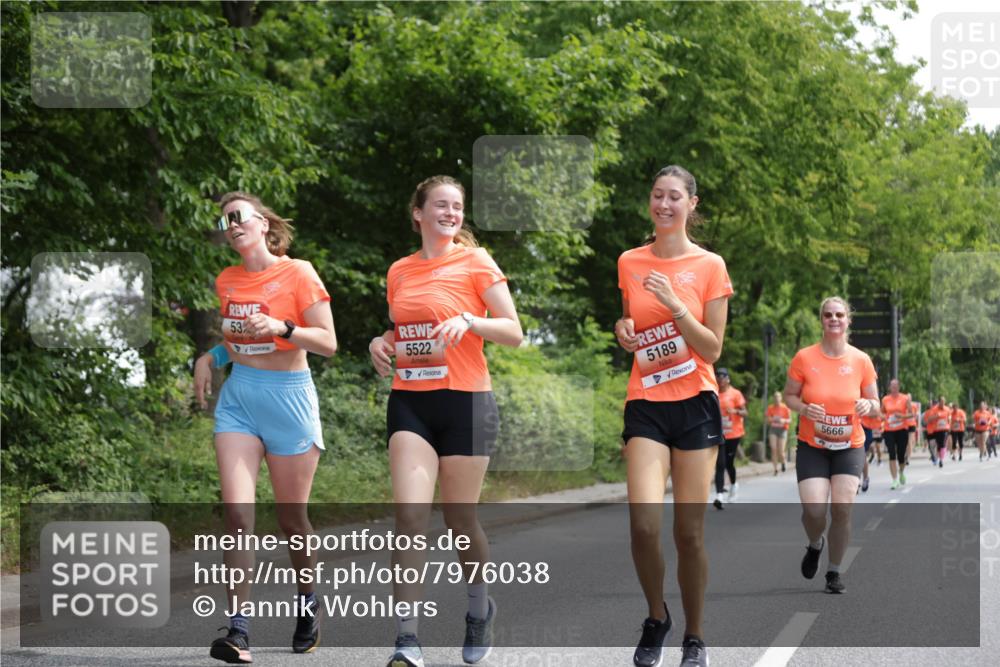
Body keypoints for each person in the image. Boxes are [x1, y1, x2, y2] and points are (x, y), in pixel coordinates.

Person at [368, 176, 522, 667]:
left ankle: (479, 610)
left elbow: (514, 332)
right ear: (418, 213)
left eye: (457, 206)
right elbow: (404, 328)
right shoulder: (399, 270)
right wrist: (382, 342)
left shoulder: (476, 261)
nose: (451, 213)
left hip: (467, 403)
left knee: (460, 521)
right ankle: (407, 637)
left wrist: (472, 322)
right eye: (440, 205)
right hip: (411, 402)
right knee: (410, 516)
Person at [193, 192, 337, 664]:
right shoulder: (227, 279)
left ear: (262, 223)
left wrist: (281, 326)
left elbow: (328, 343)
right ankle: (238, 631)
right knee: (238, 517)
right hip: (240, 401)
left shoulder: (298, 272)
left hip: (290, 402)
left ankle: (308, 602)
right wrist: (210, 356)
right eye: (224, 219)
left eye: (238, 215)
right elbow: (235, 342)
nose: (230, 223)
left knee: (293, 521)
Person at [615, 165, 732, 667]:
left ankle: (695, 635)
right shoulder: (629, 261)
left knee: (688, 533)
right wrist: (624, 330)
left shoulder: (709, 265)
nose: (664, 205)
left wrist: (675, 306)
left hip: (696, 406)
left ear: (692, 204)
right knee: (643, 524)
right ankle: (657, 615)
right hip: (645, 402)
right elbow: (632, 327)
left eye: (674, 197)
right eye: (657, 196)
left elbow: (712, 348)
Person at [783, 296, 879, 595]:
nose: (834, 319)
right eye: (828, 315)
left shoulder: (861, 360)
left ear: (848, 320)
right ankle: (815, 544)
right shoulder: (804, 358)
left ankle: (834, 572)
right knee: (814, 511)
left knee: (842, 508)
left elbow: (876, 406)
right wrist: (803, 408)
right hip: (813, 445)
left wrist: (867, 404)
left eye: (839, 314)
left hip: (849, 445)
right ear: (821, 319)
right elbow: (789, 396)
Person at [712, 369, 746, 508]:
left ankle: (733, 485)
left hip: (733, 433)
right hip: (718, 433)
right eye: (717, 376)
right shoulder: (713, 392)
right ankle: (719, 495)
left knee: (729, 463)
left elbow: (745, 412)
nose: (720, 379)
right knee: (720, 464)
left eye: (723, 376)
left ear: (728, 379)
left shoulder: (735, 393)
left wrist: (736, 411)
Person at [880, 379, 913, 490]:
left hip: (902, 429)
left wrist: (902, 416)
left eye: (896, 386)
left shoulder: (905, 398)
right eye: (892, 386)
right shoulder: (885, 399)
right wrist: (884, 417)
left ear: (899, 387)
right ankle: (894, 480)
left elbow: (911, 414)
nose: (894, 388)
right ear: (889, 387)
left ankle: (901, 472)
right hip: (889, 429)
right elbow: (882, 413)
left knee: (901, 455)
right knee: (892, 454)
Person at [767, 391, 792, 476]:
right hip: (773, 429)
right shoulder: (770, 408)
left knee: (781, 451)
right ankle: (775, 469)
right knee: (773, 449)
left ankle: (783, 462)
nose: (777, 399)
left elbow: (790, 420)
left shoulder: (785, 408)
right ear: (773, 399)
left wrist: (783, 420)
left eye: (778, 397)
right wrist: (772, 419)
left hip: (782, 429)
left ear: (781, 398)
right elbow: (768, 419)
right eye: (775, 397)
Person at [925, 396, 952, 468]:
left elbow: (949, 418)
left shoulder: (947, 409)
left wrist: (949, 424)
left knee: (942, 444)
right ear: (939, 402)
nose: (942, 403)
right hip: (936, 430)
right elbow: (928, 420)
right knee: (938, 445)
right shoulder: (934, 409)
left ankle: (941, 460)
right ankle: (937, 457)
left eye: (944, 402)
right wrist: (935, 416)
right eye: (941, 402)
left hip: (945, 429)